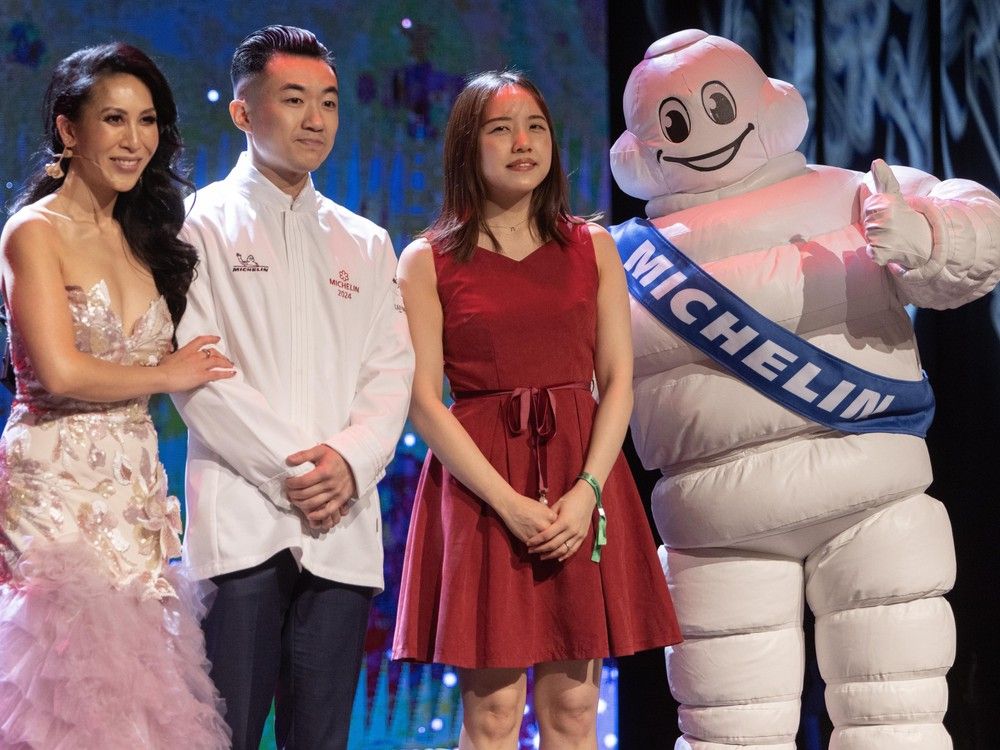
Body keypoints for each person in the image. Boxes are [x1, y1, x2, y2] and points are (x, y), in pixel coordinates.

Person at [609, 30, 1000, 747]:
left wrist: (932, 238)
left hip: (871, 499)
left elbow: (974, 223)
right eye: (675, 121)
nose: (703, 132)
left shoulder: (853, 193)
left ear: (766, 104)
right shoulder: (617, 260)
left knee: (896, 720)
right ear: (641, 146)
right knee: (731, 731)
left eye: (719, 104)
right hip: (717, 527)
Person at [391, 70, 682, 749]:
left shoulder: (592, 246)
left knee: (576, 709)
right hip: (481, 489)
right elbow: (426, 404)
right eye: (500, 129)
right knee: (492, 713)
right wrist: (508, 504)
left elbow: (617, 381)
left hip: (581, 479)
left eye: (535, 128)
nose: (522, 144)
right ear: (468, 145)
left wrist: (585, 493)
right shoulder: (425, 260)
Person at [170, 25, 414, 750]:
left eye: (329, 103)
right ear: (243, 114)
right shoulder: (197, 225)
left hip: (341, 525)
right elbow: (196, 371)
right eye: (295, 99)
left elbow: (390, 372)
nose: (316, 120)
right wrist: (300, 471)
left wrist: (348, 462)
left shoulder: (365, 241)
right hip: (243, 522)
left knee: (322, 737)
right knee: (227, 732)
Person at [0, 43, 232, 748]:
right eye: (114, 120)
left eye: (149, 121)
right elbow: (62, 373)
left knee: (135, 698)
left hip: (133, 489)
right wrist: (169, 374)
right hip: (56, 487)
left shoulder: (146, 236)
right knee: (66, 690)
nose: (135, 141)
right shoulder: (32, 233)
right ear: (70, 131)